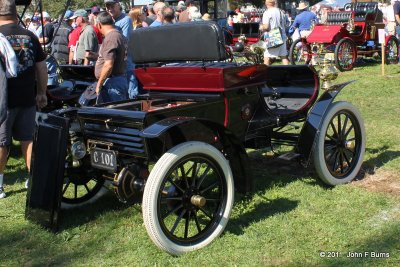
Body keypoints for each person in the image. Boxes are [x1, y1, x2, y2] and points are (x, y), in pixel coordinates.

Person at [0, 0, 47, 199]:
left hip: (3, 99)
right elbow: (41, 67)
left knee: (2, 142)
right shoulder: (30, 35)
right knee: (28, 140)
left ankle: (0, 185)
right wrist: (42, 92)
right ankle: (33, 179)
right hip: (27, 96)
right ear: (15, 12)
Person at [93, 11, 128, 103]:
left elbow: (108, 64)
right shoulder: (118, 35)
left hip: (112, 83)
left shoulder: (111, 37)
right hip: (117, 80)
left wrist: (99, 84)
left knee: (115, 114)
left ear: (99, 25)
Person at [259, 0, 289, 66]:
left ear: (266, 3)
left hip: (271, 37)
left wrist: (261, 27)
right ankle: (289, 72)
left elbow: (266, 27)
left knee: (266, 57)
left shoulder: (267, 12)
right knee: (284, 57)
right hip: (282, 36)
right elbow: (286, 23)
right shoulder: (281, 12)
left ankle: (265, 74)